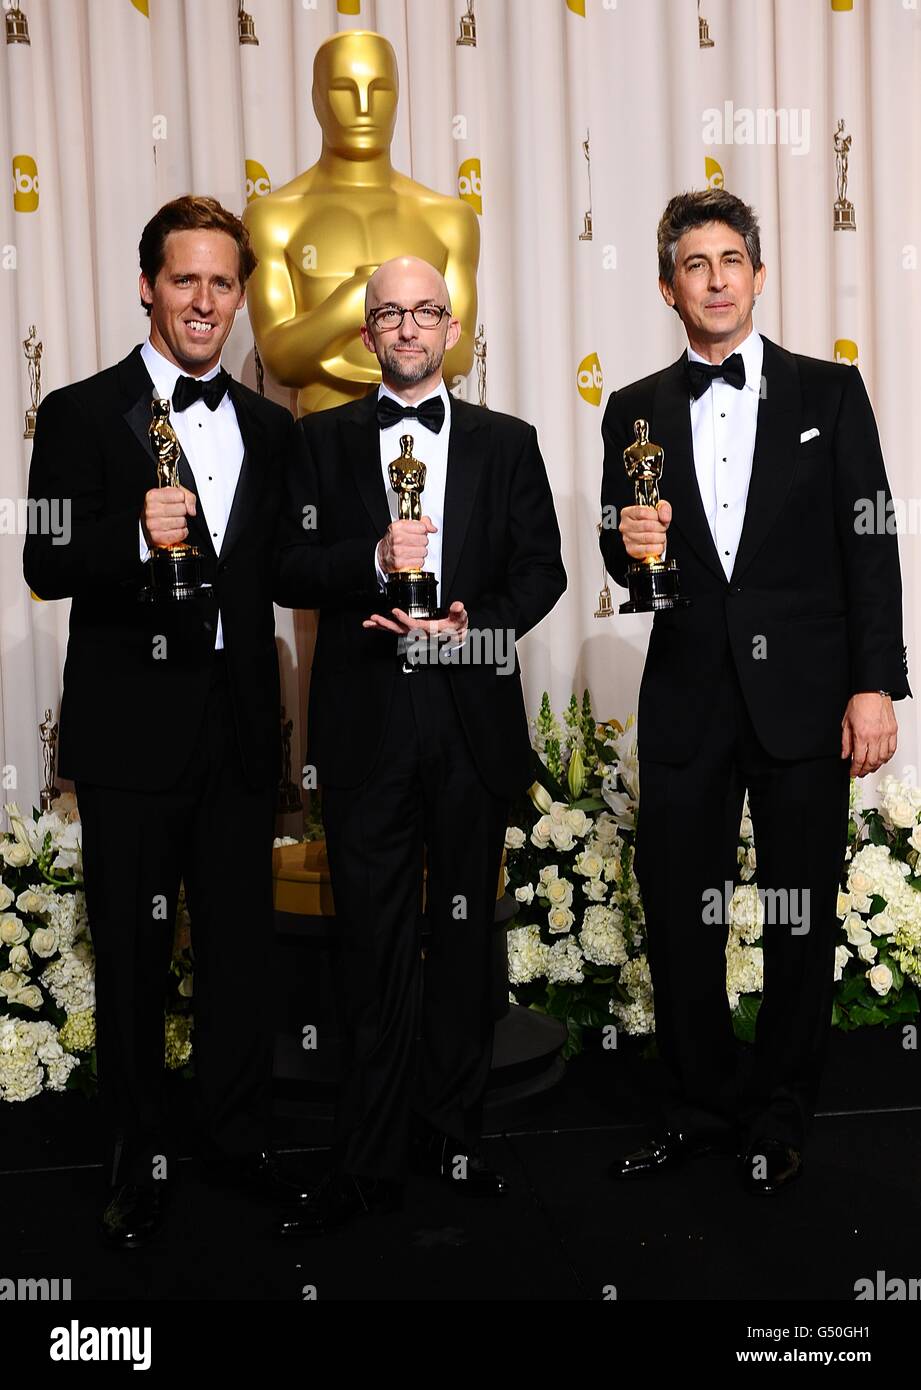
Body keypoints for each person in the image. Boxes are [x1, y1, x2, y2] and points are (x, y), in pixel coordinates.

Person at [600, 188, 909, 1196]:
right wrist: (623, 541)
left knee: (797, 914)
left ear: (760, 276)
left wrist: (875, 685)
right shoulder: (632, 407)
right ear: (667, 286)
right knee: (681, 913)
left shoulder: (829, 393)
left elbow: (870, 542)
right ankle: (696, 1107)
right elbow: (623, 539)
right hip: (688, 698)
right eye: (696, 263)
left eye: (733, 258)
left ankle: (780, 1113)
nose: (718, 278)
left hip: (807, 699)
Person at [24, 195, 311, 1248]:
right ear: (147, 285)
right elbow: (43, 561)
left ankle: (237, 1145)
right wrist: (134, 539)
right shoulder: (75, 411)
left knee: (240, 956)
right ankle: (139, 1160)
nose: (203, 301)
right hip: (132, 740)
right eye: (184, 279)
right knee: (137, 962)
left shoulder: (271, 429)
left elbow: (285, 563)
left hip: (238, 735)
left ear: (241, 295)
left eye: (222, 283)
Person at [274, 255, 566, 1235]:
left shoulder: (509, 443)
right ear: (365, 335)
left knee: (458, 943)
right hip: (365, 727)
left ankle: (451, 1134)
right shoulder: (316, 442)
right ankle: (367, 1157)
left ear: (451, 327)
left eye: (425, 311)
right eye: (389, 313)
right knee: (374, 943)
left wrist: (467, 627)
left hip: (469, 717)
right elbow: (286, 563)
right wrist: (366, 562)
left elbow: (543, 574)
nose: (407, 327)